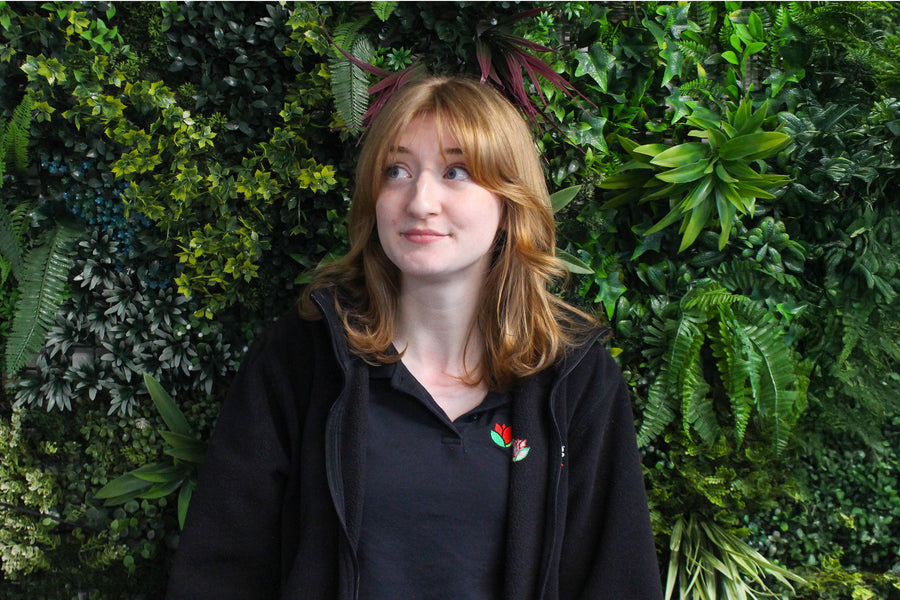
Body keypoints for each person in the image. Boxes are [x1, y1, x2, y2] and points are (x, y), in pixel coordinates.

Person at [166, 76, 663, 600]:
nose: (420, 201)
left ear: (510, 200)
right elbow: (222, 570)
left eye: (456, 172)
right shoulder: (300, 360)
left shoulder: (575, 382)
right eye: (397, 171)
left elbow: (618, 580)